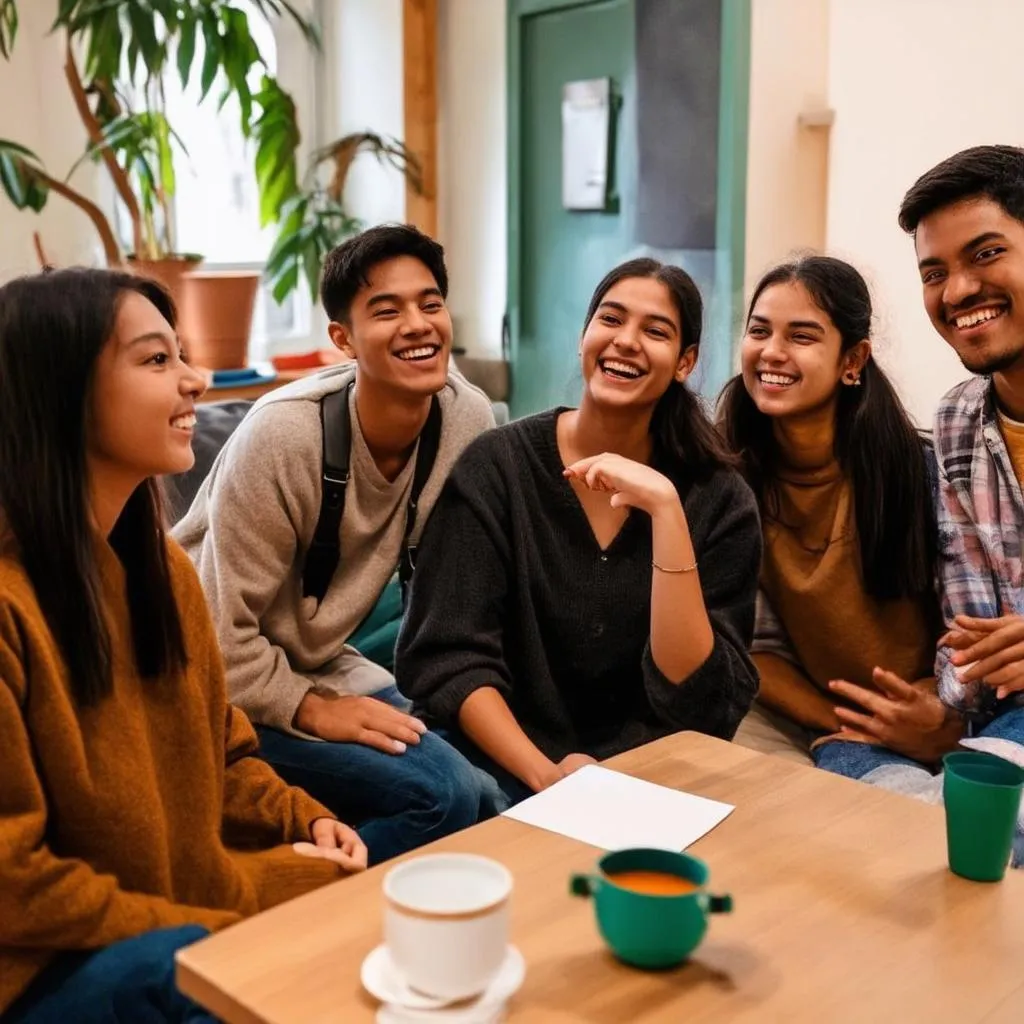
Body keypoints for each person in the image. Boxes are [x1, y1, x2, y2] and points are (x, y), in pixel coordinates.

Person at [0, 268, 365, 1024]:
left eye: (183, 355)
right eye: (157, 360)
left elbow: (221, 757)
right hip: (44, 962)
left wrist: (302, 818)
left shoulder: (158, 565)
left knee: (357, 898)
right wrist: (211, 934)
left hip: (165, 905)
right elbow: (14, 884)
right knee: (202, 978)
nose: (196, 382)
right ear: (62, 390)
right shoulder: (9, 604)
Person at [174, 225, 501, 863]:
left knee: (496, 796)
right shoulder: (283, 436)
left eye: (430, 304)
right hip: (205, 675)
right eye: (387, 310)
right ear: (342, 340)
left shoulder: (467, 419)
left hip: (316, 659)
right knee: (444, 795)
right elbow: (217, 641)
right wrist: (313, 710)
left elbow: (458, 597)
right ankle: (273, 904)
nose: (418, 324)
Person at [394, 257, 761, 805]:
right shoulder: (498, 468)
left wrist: (666, 511)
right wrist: (546, 776)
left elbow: (700, 701)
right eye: (611, 320)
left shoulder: (720, 500)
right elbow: (448, 659)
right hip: (503, 765)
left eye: (655, 331)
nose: (627, 342)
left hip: (650, 774)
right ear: (585, 336)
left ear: (685, 362)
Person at [719, 256, 963, 780]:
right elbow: (747, 644)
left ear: (852, 360)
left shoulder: (919, 472)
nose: (772, 352)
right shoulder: (731, 480)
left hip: (945, 711)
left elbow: (967, 617)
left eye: (802, 336)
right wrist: (845, 722)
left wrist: (941, 712)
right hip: (834, 724)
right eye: (759, 331)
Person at [897, 145, 1024, 784]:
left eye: (985, 253)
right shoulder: (958, 422)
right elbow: (968, 644)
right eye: (933, 272)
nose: (958, 290)